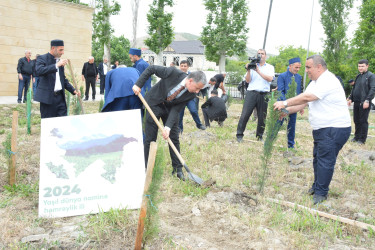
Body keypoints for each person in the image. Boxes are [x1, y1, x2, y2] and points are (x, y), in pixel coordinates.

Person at [274, 55, 351, 205]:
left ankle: (321, 193)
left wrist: (284, 102)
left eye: (308, 67)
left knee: (325, 160)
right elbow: (303, 103)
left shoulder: (327, 80)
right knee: (318, 158)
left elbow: (307, 96)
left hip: (334, 128)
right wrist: (287, 110)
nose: (306, 70)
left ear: (319, 67)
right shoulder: (314, 82)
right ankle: (317, 187)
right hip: (323, 129)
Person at [132, 65, 206, 180]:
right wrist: (138, 84)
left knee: (174, 137)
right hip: (154, 103)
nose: (197, 91)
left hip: (170, 109)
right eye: (197, 88)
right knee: (150, 138)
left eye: (199, 90)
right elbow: (151, 69)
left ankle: (178, 169)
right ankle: (145, 167)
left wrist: (167, 127)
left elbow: (176, 109)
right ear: (190, 80)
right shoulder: (172, 72)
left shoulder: (191, 94)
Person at [236, 49, 275, 142]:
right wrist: (249, 70)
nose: (260, 55)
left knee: (262, 117)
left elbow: (270, 79)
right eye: (259, 53)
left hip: (263, 94)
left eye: (262, 54)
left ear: (265, 56)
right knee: (245, 114)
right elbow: (248, 81)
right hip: (251, 93)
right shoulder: (252, 65)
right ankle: (239, 135)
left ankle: (259, 136)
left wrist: (258, 71)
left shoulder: (270, 67)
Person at [35, 39, 80, 118]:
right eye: (60, 50)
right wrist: (56, 65)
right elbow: (39, 71)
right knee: (48, 124)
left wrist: (73, 90)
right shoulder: (42, 58)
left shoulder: (59, 61)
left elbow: (63, 80)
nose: (62, 52)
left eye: (63, 50)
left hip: (60, 98)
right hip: (48, 98)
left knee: (62, 122)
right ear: (53, 48)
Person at [277, 57, 303, 149]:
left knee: (291, 126)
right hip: (282, 106)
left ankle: (291, 145)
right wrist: (285, 105)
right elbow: (280, 91)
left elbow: (299, 92)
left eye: (299, 67)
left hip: (293, 107)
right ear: (290, 66)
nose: (298, 69)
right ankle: (269, 142)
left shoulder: (299, 77)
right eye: (296, 67)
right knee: (277, 124)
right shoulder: (282, 76)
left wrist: (300, 106)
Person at [347, 59, 375, 144]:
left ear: (367, 66)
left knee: (363, 121)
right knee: (356, 120)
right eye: (359, 66)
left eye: (362, 66)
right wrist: (350, 98)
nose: (360, 68)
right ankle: (357, 137)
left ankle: (362, 139)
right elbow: (355, 88)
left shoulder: (371, 76)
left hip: (364, 102)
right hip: (356, 102)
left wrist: (367, 100)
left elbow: (373, 89)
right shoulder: (358, 76)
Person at [178, 60, 206, 133]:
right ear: (179, 66)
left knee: (193, 110)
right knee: (180, 114)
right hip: (180, 98)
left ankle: (199, 124)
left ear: (188, 67)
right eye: (182, 66)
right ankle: (179, 129)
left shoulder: (192, 75)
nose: (183, 67)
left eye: (185, 66)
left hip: (190, 97)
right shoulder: (177, 75)